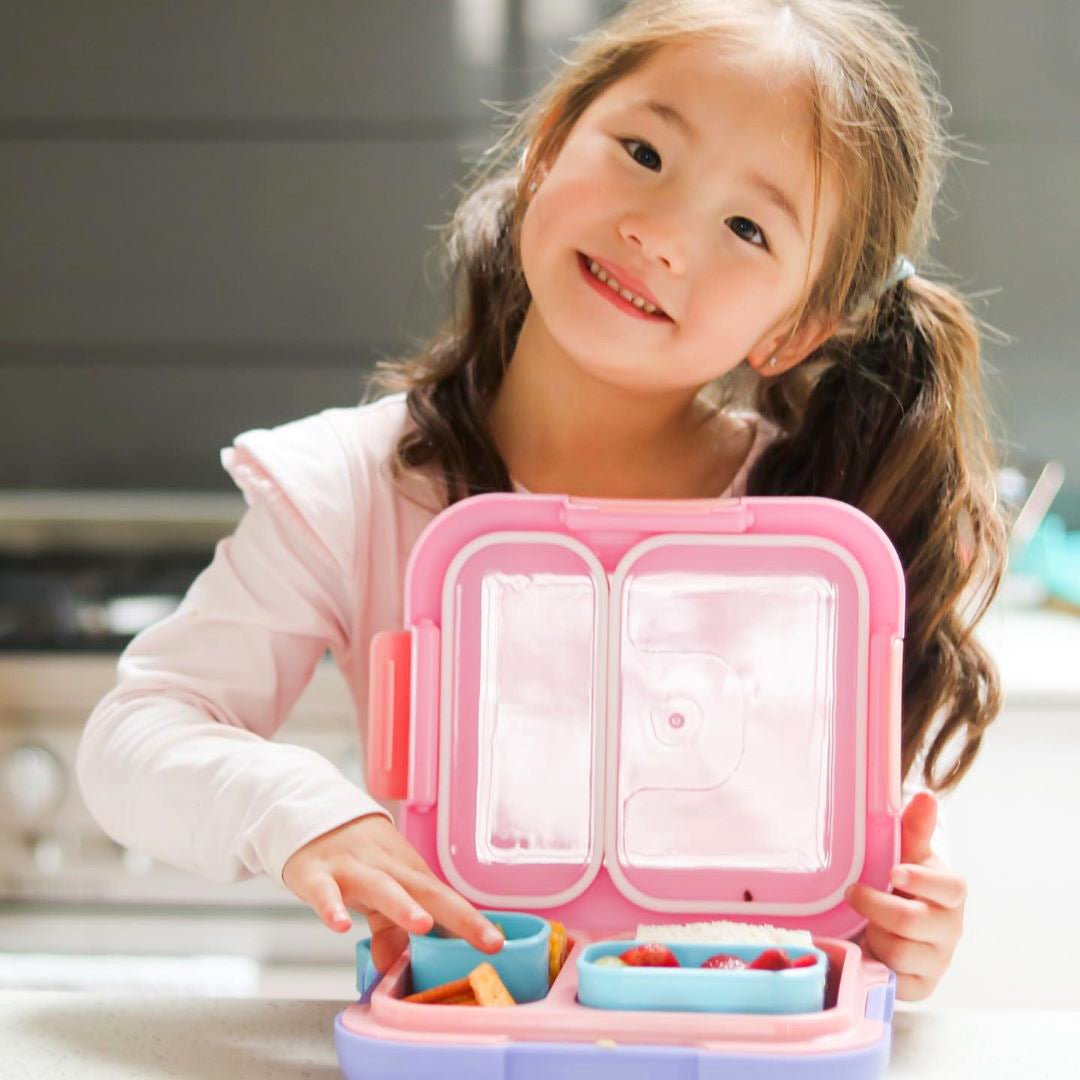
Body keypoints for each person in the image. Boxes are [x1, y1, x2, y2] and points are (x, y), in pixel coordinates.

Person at [78, 0, 1009, 1003]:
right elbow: (136, 739)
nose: (659, 233)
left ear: (794, 327)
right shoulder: (352, 485)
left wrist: (907, 915)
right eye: (645, 151)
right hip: (467, 1034)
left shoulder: (810, 546)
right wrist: (302, 808)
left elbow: (836, 848)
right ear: (549, 147)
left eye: (747, 226)